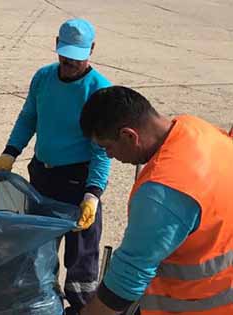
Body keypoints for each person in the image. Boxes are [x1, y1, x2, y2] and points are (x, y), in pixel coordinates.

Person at [0, 18, 112, 314]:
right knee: (38, 248)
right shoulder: (43, 78)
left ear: (91, 50)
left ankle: (83, 307)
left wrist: (92, 194)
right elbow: (28, 117)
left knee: (81, 256)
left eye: (77, 58)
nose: (69, 62)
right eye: (65, 55)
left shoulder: (99, 91)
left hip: (77, 181)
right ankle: (41, 301)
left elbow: (102, 151)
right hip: (43, 175)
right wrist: (10, 152)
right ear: (57, 44)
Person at [79, 86, 233, 315]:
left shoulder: (162, 192)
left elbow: (126, 280)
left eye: (107, 148)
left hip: (196, 306)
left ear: (129, 136)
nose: (109, 156)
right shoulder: (195, 128)